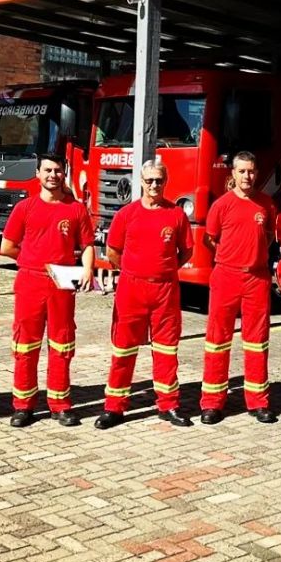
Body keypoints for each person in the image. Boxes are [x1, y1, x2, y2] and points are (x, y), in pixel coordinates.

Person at [95, 160, 193, 429]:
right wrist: (131, 270)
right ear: (141, 181)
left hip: (165, 290)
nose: (154, 185)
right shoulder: (127, 214)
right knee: (123, 350)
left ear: (165, 182)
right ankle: (114, 408)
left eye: (159, 181)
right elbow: (113, 251)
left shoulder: (176, 215)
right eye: (149, 180)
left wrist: (164, 269)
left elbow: (186, 251)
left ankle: (168, 405)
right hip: (131, 289)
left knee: (166, 350)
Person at [0, 154, 95, 427]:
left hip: (63, 282)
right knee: (25, 345)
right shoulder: (25, 207)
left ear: (64, 174)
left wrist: (87, 269)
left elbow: (87, 244)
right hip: (31, 281)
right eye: (48, 170)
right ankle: (23, 406)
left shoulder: (76, 209)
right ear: (38, 174)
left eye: (58, 170)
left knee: (62, 344)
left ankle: (60, 404)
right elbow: (7, 246)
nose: (53, 175)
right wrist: (32, 261)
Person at [199, 151, 278, 424]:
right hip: (226, 277)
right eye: (242, 171)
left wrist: (253, 257)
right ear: (232, 174)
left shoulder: (266, 204)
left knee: (257, 342)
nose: (248, 176)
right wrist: (230, 257)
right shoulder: (221, 205)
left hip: (257, 279)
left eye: (252, 171)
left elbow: (268, 236)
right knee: (217, 340)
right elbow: (210, 240)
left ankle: (258, 402)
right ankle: (212, 403)